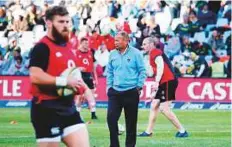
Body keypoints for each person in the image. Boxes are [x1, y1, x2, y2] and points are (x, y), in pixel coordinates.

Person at [29, 6, 90, 147]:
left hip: (68, 108)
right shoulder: (42, 47)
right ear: (48, 22)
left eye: (67, 22)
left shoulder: (68, 46)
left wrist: (85, 89)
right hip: (46, 109)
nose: (65, 26)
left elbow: (71, 73)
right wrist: (63, 81)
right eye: (61, 21)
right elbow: (35, 76)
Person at [138, 37, 188, 138]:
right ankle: (148, 132)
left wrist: (156, 82)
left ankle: (182, 131)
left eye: (145, 44)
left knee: (164, 109)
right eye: (142, 44)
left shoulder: (155, 52)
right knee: (154, 105)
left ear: (151, 44)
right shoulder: (150, 55)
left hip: (168, 81)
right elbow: (152, 72)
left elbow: (161, 67)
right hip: (164, 82)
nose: (143, 46)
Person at [107, 31, 147, 147]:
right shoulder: (112, 54)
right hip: (115, 92)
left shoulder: (136, 53)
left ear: (126, 41)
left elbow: (142, 71)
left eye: (117, 40)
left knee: (131, 123)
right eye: (115, 40)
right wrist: (109, 87)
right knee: (111, 119)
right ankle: (114, 145)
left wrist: (139, 86)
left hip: (131, 92)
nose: (115, 43)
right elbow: (109, 72)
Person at [75, 37, 98, 119]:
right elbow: (72, 66)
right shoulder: (76, 53)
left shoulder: (90, 52)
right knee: (80, 96)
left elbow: (93, 67)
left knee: (91, 95)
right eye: (85, 43)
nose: (87, 45)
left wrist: (96, 78)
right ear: (81, 43)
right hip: (80, 75)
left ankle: (93, 114)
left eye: (87, 43)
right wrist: (79, 68)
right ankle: (77, 113)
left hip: (89, 75)